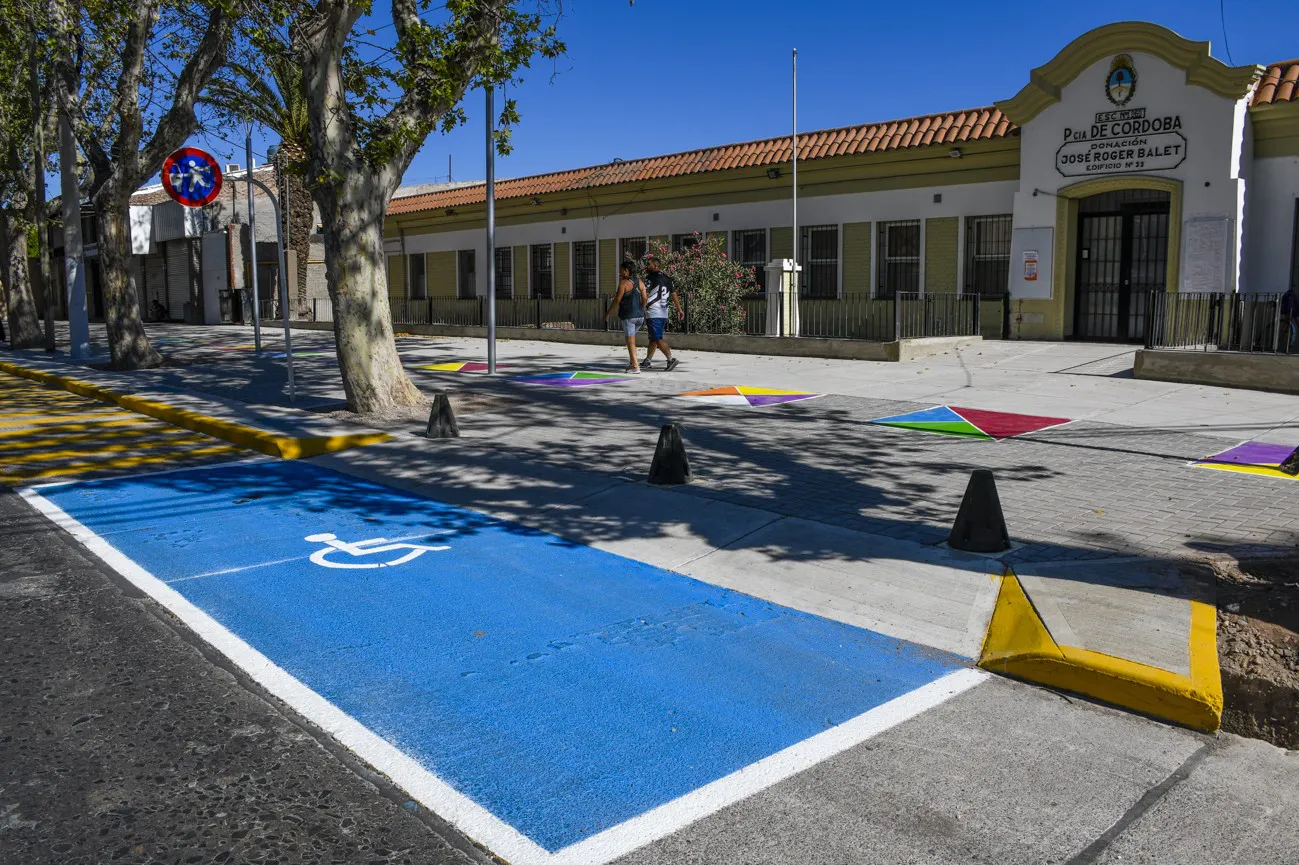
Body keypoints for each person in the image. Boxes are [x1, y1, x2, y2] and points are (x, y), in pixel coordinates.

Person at [605, 261, 648, 373]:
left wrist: (608, 312)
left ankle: (635, 366)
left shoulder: (623, 283)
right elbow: (645, 298)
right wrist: (641, 309)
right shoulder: (640, 282)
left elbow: (617, 300)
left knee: (630, 342)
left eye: (621, 269)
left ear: (626, 271)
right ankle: (632, 363)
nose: (619, 272)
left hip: (629, 316)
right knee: (631, 340)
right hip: (640, 317)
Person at [641, 254, 682, 371]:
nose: (647, 266)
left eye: (648, 264)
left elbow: (646, 294)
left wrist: (641, 307)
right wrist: (679, 309)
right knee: (653, 338)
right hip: (664, 312)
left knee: (657, 337)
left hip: (654, 311)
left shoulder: (650, 278)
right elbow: (674, 294)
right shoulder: (668, 279)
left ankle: (670, 359)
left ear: (655, 266)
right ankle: (647, 361)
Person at [1282, 286, 1299, 352]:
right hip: (1293, 309)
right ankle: (1286, 332)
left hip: (1291, 309)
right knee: (1292, 321)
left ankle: (1286, 332)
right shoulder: (1290, 296)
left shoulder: (1288, 296)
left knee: (1289, 321)